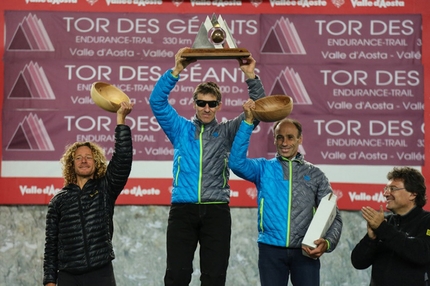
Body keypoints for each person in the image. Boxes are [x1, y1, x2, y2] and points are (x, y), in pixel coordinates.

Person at [149, 47, 266, 286]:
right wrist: (176, 70)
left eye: (211, 104)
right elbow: (156, 102)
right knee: (177, 276)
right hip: (183, 210)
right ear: (194, 103)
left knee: (214, 278)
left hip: (216, 211)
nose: (206, 108)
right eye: (201, 103)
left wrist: (250, 75)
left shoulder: (226, 131)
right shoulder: (180, 129)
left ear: (218, 106)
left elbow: (259, 111)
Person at [228, 100, 342, 286]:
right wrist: (248, 123)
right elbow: (236, 163)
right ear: (274, 139)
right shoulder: (263, 169)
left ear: (300, 139)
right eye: (280, 137)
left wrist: (327, 243)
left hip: (305, 251)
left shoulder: (315, 175)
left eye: (290, 137)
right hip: (270, 250)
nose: (285, 142)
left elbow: (333, 215)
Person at [43, 102, 134, 286]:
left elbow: (122, 158)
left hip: (101, 273)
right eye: (78, 157)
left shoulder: (105, 189)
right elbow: (51, 245)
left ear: (96, 162)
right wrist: (50, 281)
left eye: (89, 157)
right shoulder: (58, 201)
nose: (84, 160)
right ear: (71, 163)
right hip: (69, 276)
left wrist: (121, 121)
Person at [351, 166, 430, 286]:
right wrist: (370, 239)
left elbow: (421, 254)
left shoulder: (426, 221)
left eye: (393, 189)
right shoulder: (385, 222)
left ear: (413, 194)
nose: (385, 193)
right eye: (386, 188)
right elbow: (358, 262)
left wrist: (382, 229)